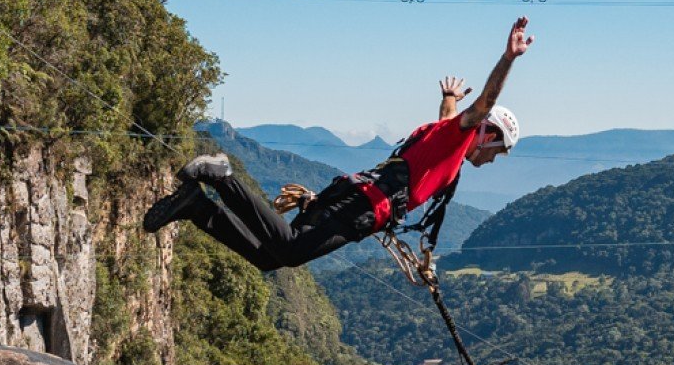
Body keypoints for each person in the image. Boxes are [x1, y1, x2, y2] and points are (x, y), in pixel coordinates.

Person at [144, 17, 535, 270]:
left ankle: (196, 207)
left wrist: (450, 95)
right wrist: (508, 58)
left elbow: (449, 112)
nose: (492, 160)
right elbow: (484, 101)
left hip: (356, 197)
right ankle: (223, 177)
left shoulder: (444, 138)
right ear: (487, 132)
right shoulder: (458, 139)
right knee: (292, 249)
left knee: (271, 258)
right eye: (497, 150)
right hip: (362, 206)